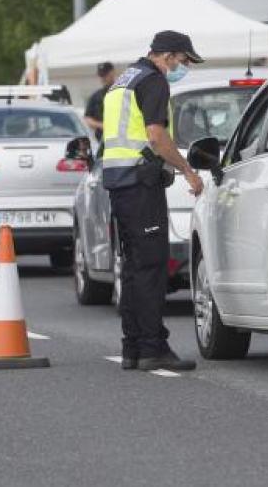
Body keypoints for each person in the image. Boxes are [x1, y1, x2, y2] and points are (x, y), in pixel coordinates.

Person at [101, 31, 205, 372]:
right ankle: (152, 347)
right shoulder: (153, 81)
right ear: (168, 55)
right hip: (140, 183)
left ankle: (132, 346)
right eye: (184, 60)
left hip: (119, 183)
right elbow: (157, 137)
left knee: (132, 266)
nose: (184, 67)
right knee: (151, 266)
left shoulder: (122, 82)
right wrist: (189, 172)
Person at [82, 62, 117, 143]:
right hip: (103, 139)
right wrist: (102, 125)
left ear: (113, 73)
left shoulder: (124, 92)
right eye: (101, 75)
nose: (103, 78)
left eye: (105, 75)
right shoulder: (96, 96)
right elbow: (87, 118)